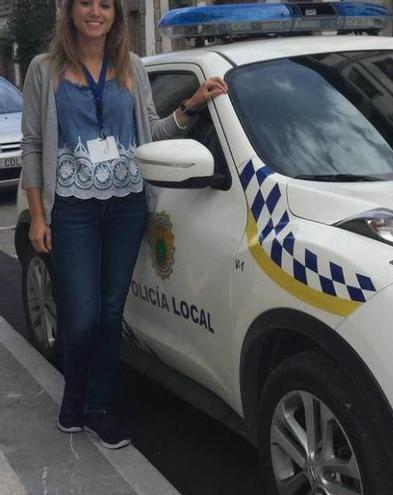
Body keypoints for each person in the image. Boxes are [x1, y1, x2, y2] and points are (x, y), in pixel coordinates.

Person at [20, 0, 227, 449]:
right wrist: (38, 215)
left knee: (112, 311)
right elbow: (34, 145)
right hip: (72, 208)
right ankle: (76, 397)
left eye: (104, 5)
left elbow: (149, 132)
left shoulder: (130, 66)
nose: (95, 12)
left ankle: (92, 409)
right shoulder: (43, 69)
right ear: (70, 13)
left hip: (127, 204)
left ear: (114, 14)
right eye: (85, 4)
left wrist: (192, 104)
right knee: (82, 314)